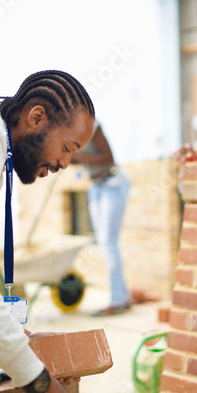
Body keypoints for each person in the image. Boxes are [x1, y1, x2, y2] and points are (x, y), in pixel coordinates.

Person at [0, 70, 95, 393]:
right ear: (36, 117)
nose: (64, 163)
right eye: (67, 148)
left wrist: (13, 338)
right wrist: (35, 381)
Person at [70, 120, 131, 316]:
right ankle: (123, 297)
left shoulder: (91, 125)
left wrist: (78, 157)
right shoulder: (68, 131)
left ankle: (118, 301)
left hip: (111, 183)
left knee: (108, 242)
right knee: (104, 242)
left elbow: (107, 157)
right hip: (95, 186)